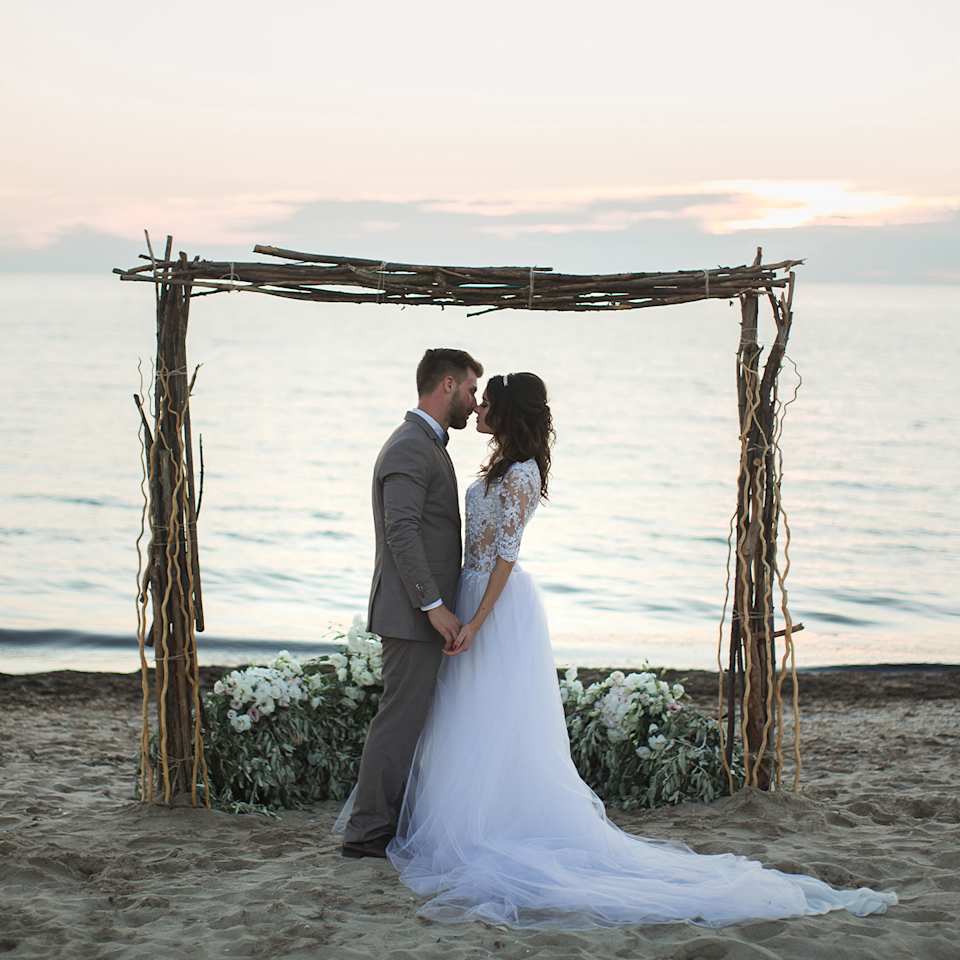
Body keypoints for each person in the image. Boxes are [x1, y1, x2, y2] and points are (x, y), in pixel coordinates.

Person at [342, 369, 898, 929]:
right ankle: (438, 818)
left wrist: (477, 620)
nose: (477, 407)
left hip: (492, 604)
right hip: (463, 595)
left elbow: (506, 555)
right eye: (474, 397)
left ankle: (480, 822)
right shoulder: (491, 465)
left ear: (507, 414)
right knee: (457, 716)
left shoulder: (522, 476)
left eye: (486, 403)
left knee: (488, 716)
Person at [339, 348, 482, 859]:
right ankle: (367, 834)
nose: (474, 401)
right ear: (446, 385)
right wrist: (434, 605)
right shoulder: (408, 447)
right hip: (411, 614)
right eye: (469, 390)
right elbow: (401, 532)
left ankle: (389, 823)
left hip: (419, 613)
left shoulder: (427, 443)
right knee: (398, 722)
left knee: (408, 720)